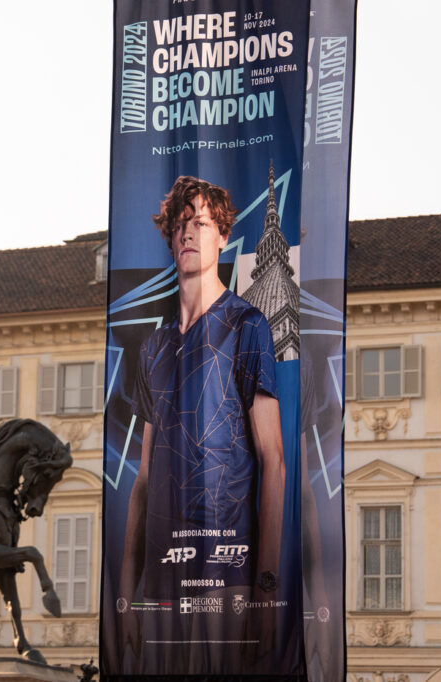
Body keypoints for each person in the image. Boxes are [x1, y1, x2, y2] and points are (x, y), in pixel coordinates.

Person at [119, 175, 286, 671]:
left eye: (202, 222)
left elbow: (272, 461)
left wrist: (267, 586)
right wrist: (127, 588)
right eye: (181, 224)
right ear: (171, 239)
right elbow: (145, 478)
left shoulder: (247, 325)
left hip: (226, 566)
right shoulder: (153, 348)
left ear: (222, 237)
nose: (189, 232)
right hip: (161, 576)